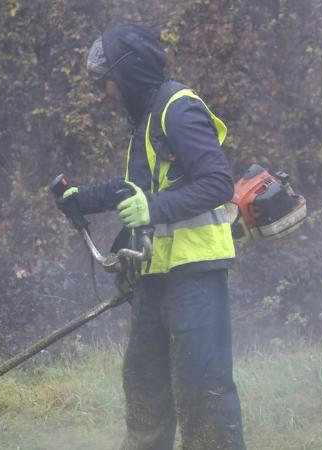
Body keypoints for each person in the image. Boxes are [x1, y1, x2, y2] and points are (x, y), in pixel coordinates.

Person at [56, 23, 246, 450]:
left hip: (195, 274)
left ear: (127, 74)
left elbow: (217, 183)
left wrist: (153, 209)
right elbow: (135, 192)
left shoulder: (178, 108)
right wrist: (81, 198)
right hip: (154, 275)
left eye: (107, 83)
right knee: (143, 380)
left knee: (203, 389)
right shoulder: (146, 120)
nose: (106, 93)